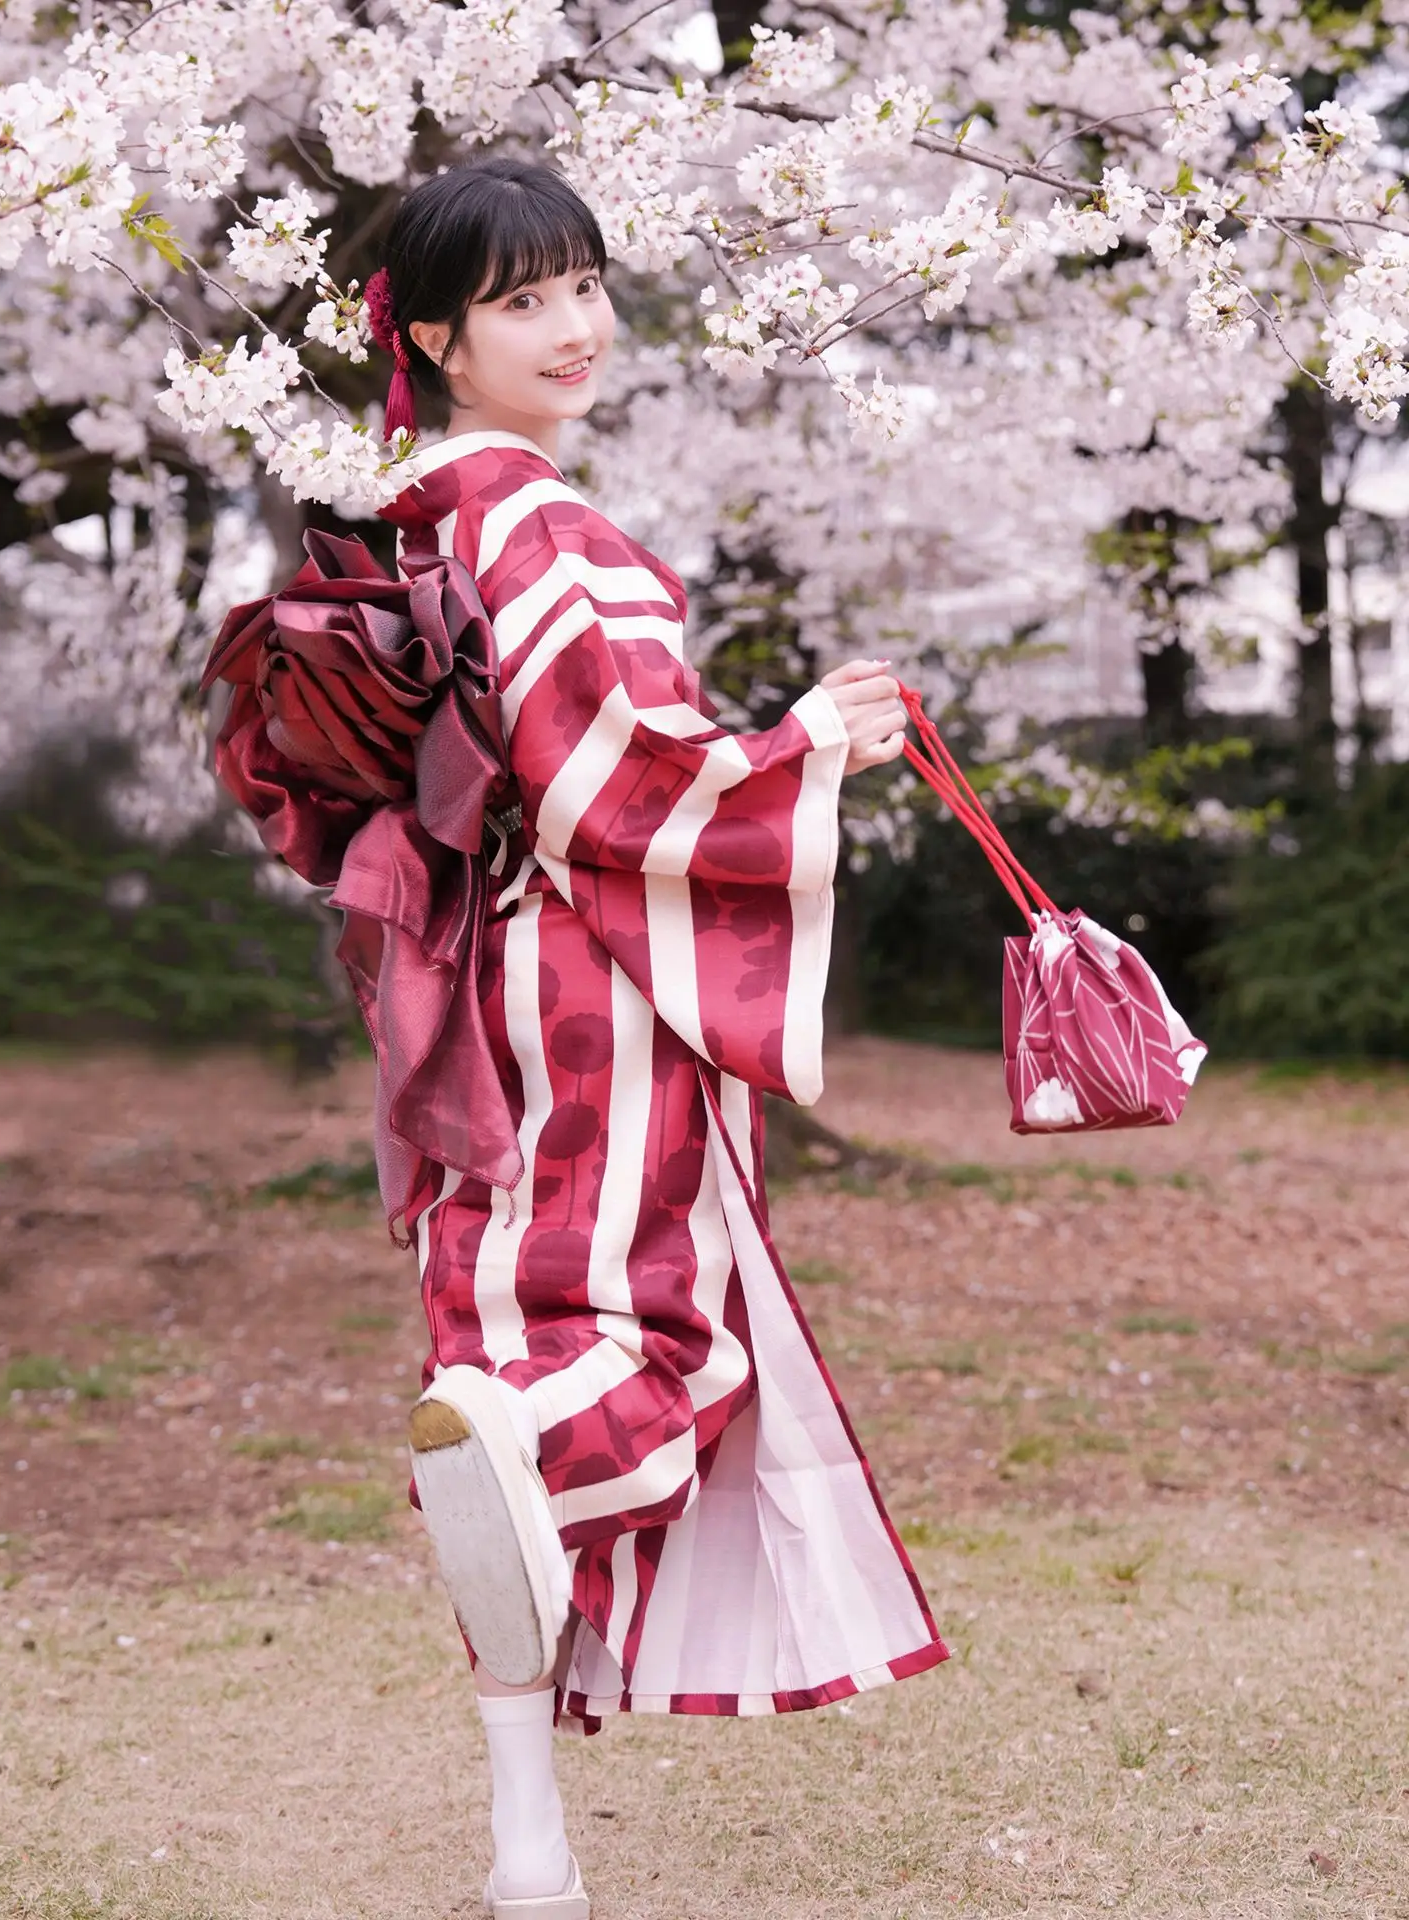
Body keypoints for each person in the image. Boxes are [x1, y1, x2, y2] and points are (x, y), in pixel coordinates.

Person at [209, 156, 948, 1920]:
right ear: (438, 335)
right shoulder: (538, 525)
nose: (576, 326)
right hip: (589, 981)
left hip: (462, 992)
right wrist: (812, 745)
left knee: (506, 1321)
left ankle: (529, 1848)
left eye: (585, 284)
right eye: (525, 299)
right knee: (661, 1334)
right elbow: (613, 778)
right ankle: (530, 1450)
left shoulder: (405, 520)